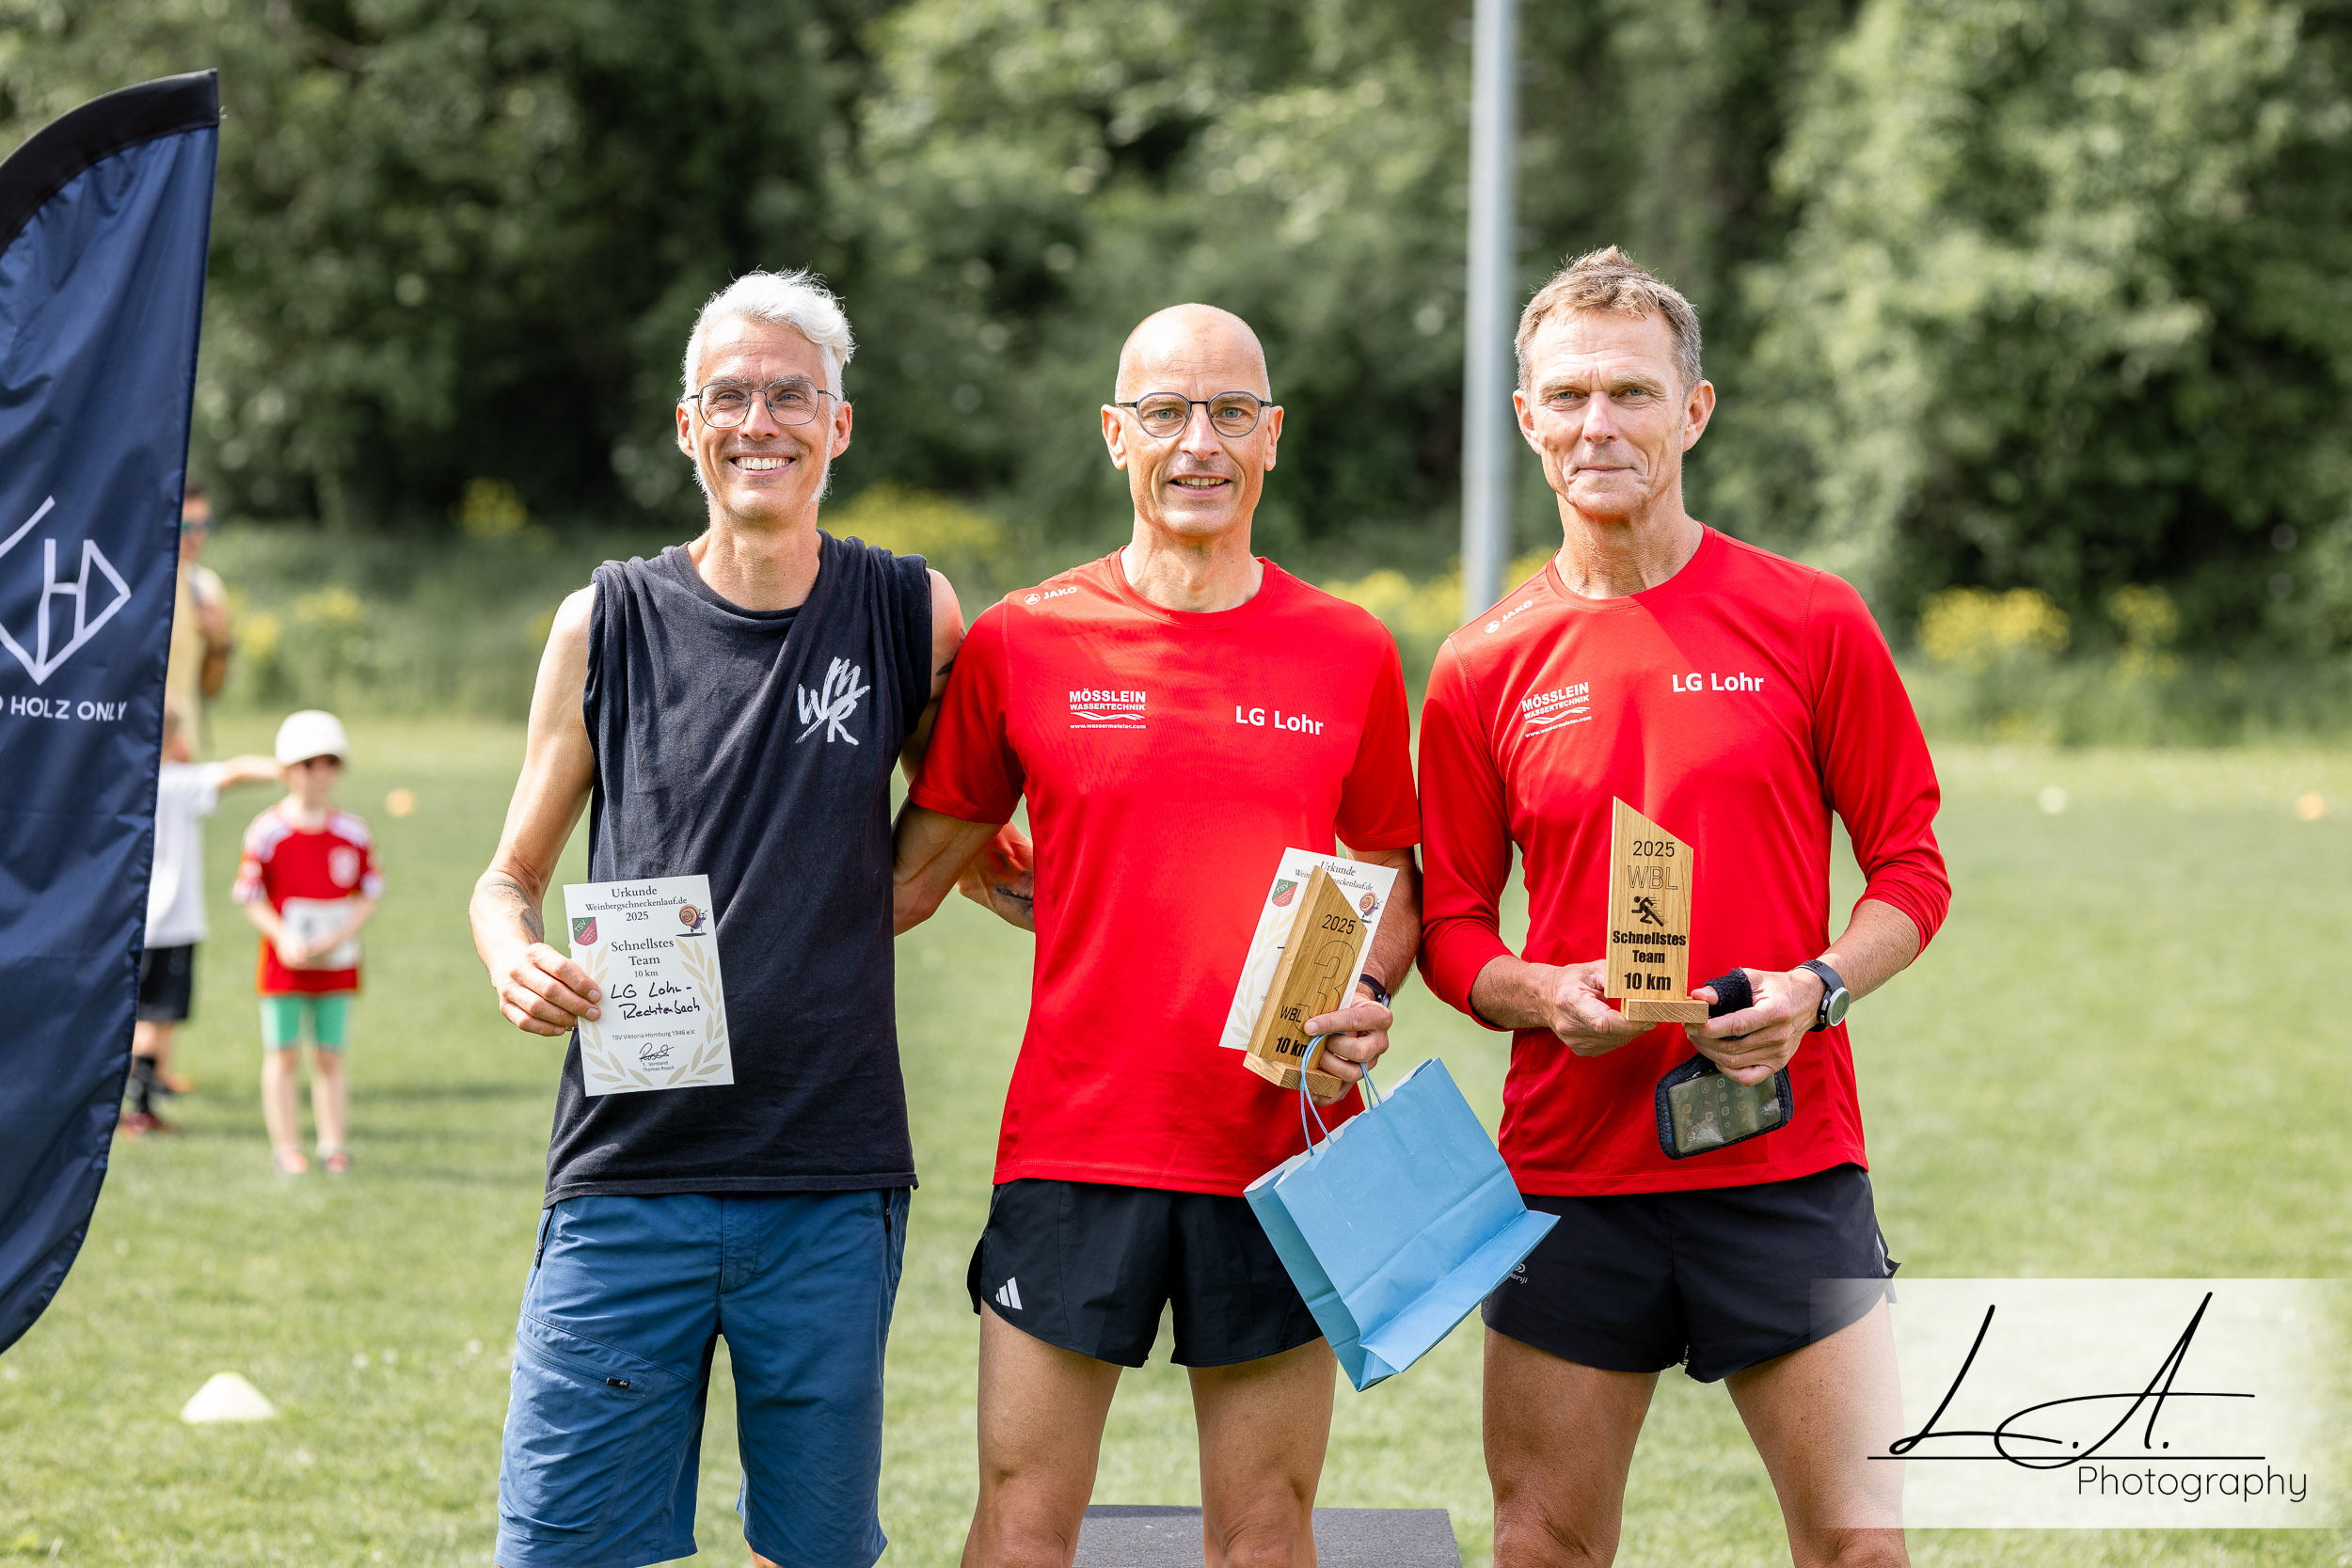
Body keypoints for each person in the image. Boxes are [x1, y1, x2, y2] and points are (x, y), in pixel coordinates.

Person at [1415, 246, 1951, 1567]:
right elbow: (1452, 928)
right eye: (1569, 395)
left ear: (1693, 410)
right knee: (1541, 1542)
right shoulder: (1481, 664)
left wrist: (1817, 986)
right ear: (1527, 418)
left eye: (1633, 392)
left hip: (1783, 1158)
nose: (1598, 423)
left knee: (1862, 1544)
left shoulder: (1811, 618)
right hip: (1570, 1174)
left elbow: (1910, 869)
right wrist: (1543, 992)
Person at [894, 303, 1423, 1568]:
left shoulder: (1348, 648)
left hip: (1280, 1145)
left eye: (1231, 412)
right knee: (1022, 1521)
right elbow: (914, 875)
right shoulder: (1023, 637)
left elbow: (1390, 869)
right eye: (1166, 412)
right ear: (1114, 433)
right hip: (1076, 1139)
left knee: (1266, 1527)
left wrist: (1369, 986)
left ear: (1272, 435)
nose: (1200, 443)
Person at [468, 269, 963, 1568]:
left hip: (828, 1172)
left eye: (791, 395)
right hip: (629, 1167)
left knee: (815, 1550)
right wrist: (514, 957)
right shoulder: (605, 620)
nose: (760, 421)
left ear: (838, 425)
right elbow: (505, 877)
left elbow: (969, 837)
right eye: (730, 395)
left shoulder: (909, 611)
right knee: (562, 1545)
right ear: (687, 425)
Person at [233, 708, 381, 1176]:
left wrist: (338, 936)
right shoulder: (267, 831)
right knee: (283, 1053)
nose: (320, 773)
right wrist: (283, 936)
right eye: (308, 763)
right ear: (286, 769)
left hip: (336, 963)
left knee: (329, 1054)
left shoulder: (353, 831)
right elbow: (249, 894)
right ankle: (286, 1147)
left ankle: (333, 1144)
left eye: (330, 762)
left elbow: (368, 892)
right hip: (284, 966)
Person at [120, 702, 278, 1135]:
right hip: (170, 922)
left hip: (130, 920)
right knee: (153, 1018)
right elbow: (235, 772)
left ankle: (137, 1093)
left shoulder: (125, 781)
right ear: (173, 738)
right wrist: (287, 766)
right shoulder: (175, 783)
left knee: (143, 1014)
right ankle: (141, 1109)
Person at [149, 479, 234, 1096]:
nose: (194, 539)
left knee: (177, 907)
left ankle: (155, 1062)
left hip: (187, 760)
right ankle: (135, 1062)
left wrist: (221, 639)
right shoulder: (140, 580)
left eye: (202, 527)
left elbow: (212, 685)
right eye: (184, 527)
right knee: (150, 912)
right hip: (148, 763)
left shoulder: (207, 586)